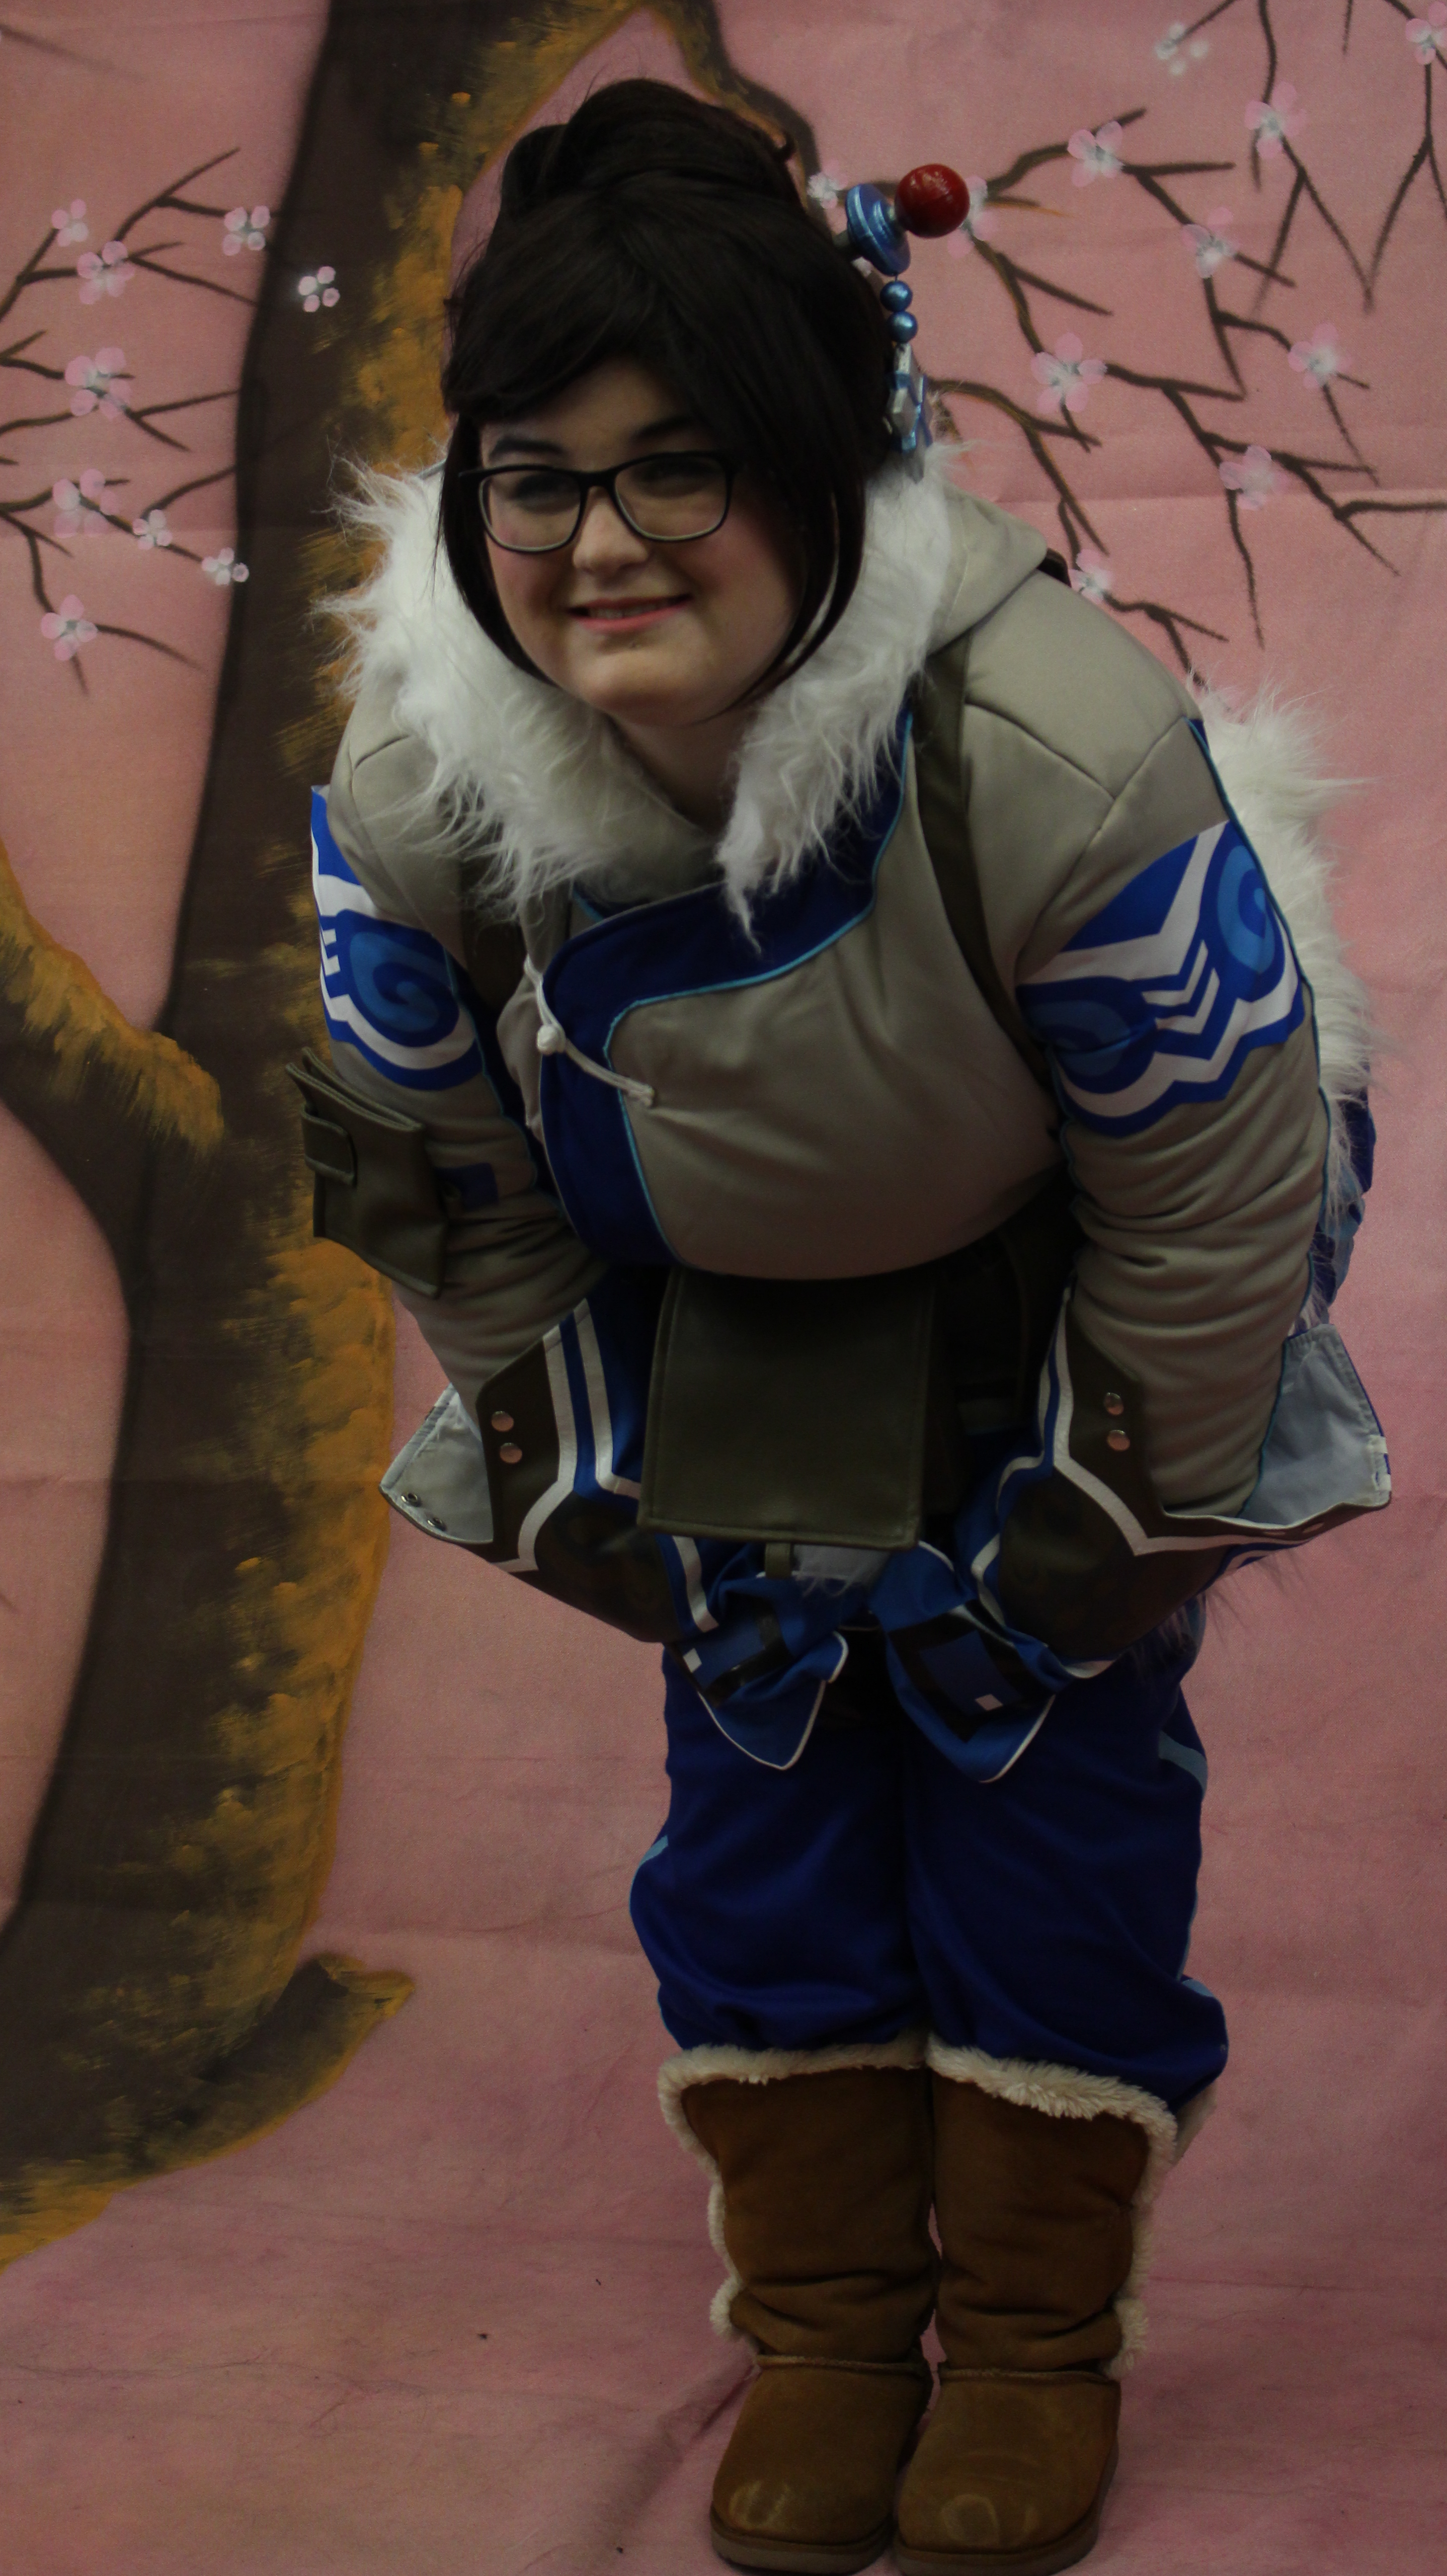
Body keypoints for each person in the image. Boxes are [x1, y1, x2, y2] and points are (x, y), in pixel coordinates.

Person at [294, 78, 1387, 2576]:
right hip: (710, 1333)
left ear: (816, 464)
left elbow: (1210, 1174)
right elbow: (419, 1147)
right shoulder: (422, 768)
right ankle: (819, 2327)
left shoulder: (1048, 735)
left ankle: (1022, 2346)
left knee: (1044, 1798)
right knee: (761, 1803)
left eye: (678, 470)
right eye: (536, 482)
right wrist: (563, 1423)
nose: (598, 544)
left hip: (1068, 1301)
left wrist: (1124, 1495)